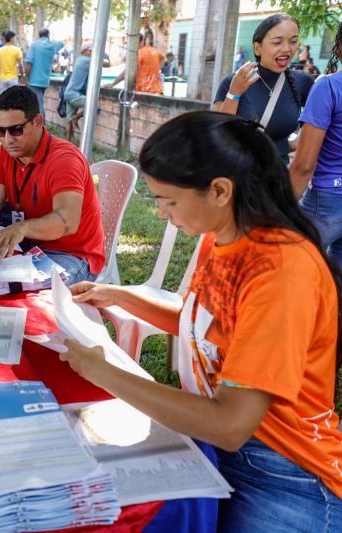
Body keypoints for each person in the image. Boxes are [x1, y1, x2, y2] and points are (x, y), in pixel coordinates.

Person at [62, 110, 342, 531]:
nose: (160, 215)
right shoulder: (224, 236)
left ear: (219, 190)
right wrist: (120, 295)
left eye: (168, 201)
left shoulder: (282, 271)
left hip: (286, 472)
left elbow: (230, 424)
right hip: (220, 447)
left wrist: (102, 371)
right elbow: (206, 325)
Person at [0, 86, 104, 284]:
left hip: (72, 254)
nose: (7, 140)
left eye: (16, 130)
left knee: (14, 293)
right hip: (29, 245)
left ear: (38, 122)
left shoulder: (64, 159)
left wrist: (22, 228)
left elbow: (67, 222)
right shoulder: (6, 152)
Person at [215, 14, 313, 163]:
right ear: (257, 48)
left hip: (279, 175)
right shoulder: (234, 82)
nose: (287, 48)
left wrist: (292, 145)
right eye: (277, 42)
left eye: (293, 41)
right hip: (240, 172)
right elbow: (220, 135)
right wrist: (234, 93)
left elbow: (321, 121)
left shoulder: (302, 82)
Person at [290, 20, 342, 270]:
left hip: (327, 201)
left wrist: (281, 208)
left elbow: (304, 164)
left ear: (339, 48)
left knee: (289, 264)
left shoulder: (329, 86)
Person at [25, 28, 64, 121]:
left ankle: (42, 125)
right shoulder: (52, 45)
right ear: (48, 34)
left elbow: (29, 63)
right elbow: (62, 43)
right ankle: (38, 124)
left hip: (34, 80)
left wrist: (27, 78)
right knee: (38, 102)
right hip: (45, 80)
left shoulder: (34, 45)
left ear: (39, 35)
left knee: (38, 104)